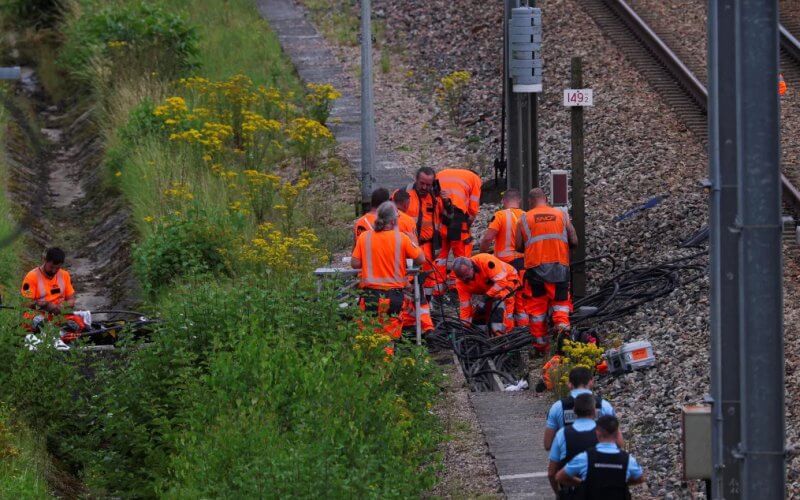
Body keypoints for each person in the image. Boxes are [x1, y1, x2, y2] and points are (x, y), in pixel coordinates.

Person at [351, 202, 425, 352]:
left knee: (367, 336)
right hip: (393, 298)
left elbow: (354, 263)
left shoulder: (365, 237)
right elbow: (421, 259)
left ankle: (368, 371)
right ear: (393, 221)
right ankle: (384, 372)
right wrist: (414, 241)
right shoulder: (402, 238)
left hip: (370, 296)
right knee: (387, 341)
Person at [515, 187, 578, 352]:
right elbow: (574, 240)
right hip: (560, 267)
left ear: (530, 201)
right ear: (546, 199)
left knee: (537, 309)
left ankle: (541, 346)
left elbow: (519, 246)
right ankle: (564, 337)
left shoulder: (523, 218)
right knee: (561, 305)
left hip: (536, 270)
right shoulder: (561, 215)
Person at [556, 415, 645, 498]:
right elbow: (640, 478)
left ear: (597, 433)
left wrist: (583, 484)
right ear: (618, 433)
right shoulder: (628, 460)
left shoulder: (585, 458)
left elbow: (560, 477)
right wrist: (621, 483)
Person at [392, 188, 435, 335]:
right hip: (407, 269)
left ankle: (405, 326)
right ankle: (426, 327)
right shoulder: (407, 220)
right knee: (418, 299)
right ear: (405, 204)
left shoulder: (379, 219)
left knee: (401, 302)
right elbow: (414, 247)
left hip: (389, 270)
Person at [544, 366, 616, 450]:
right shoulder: (604, 405)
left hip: (568, 459)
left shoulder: (557, 407)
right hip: (596, 459)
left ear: (569, 384)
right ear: (591, 382)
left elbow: (548, 444)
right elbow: (615, 441)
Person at [434, 168, 482, 291]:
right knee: (462, 253)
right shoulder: (475, 179)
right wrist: (466, 228)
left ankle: (437, 285)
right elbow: (472, 209)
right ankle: (455, 285)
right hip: (457, 217)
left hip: (440, 217)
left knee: (441, 254)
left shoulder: (442, 173)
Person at [451, 254, 521, 335]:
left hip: (509, 280)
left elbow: (502, 282)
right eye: (462, 277)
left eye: (466, 275)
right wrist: (464, 326)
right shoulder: (461, 282)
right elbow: (465, 306)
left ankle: (504, 334)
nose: (465, 279)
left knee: (499, 301)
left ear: (472, 267)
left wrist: (487, 296)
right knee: (481, 308)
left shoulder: (485, 261)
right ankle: (482, 333)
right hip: (491, 289)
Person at [547, 393, 599, 497]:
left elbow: (551, 473)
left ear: (574, 410)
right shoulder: (603, 432)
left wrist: (559, 494)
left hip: (572, 491)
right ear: (594, 411)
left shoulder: (562, 434)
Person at [403, 167, 444, 298]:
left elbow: (446, 219)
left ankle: (426, 309)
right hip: (408, 246)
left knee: (428, 281)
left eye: (428, 184)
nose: (425, 187)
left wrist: (447, 202)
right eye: (422, 183)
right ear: (416, 179)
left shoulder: (434, 198)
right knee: (408, 278)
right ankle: (408, 310)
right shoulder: (404, 194)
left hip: (428, 247)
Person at [21, 247, 75, 316]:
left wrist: (63, 305)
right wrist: (45, 305)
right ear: (45, 260)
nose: (54, 271)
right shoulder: (31, 277)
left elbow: (71, 300)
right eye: (51, 267)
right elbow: (25, 303)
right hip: (39, 316)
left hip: (60, 316)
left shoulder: (64, 275)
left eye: (57, 268)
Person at [479, 188, 524, 270]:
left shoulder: (500, 215)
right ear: (519, 200)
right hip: (525, 262)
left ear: (503, 201)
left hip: (505, 263)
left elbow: (487, 239)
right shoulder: (527, 215)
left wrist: (482, 255)